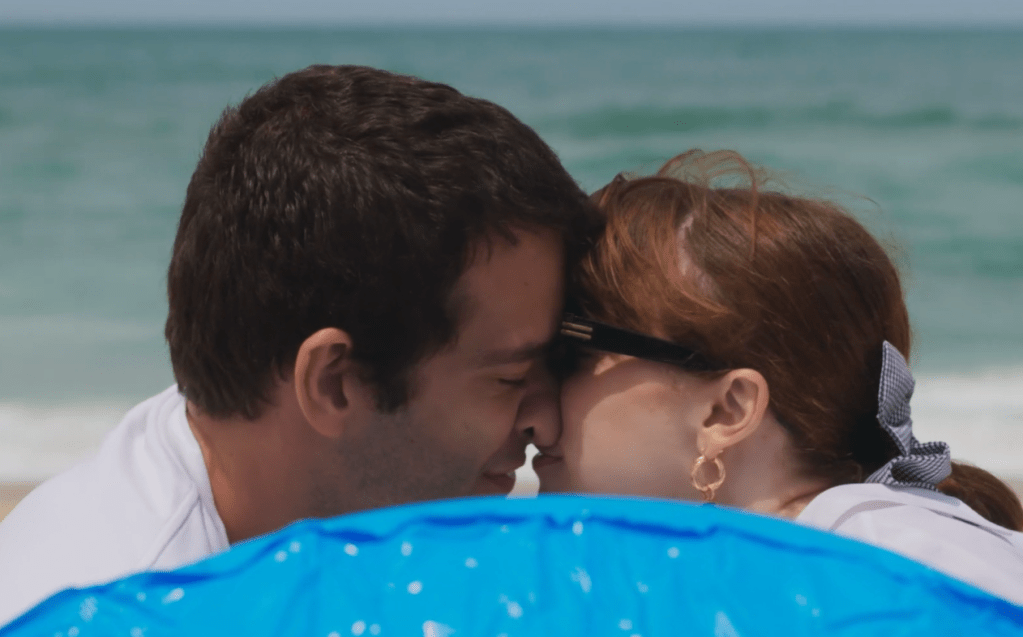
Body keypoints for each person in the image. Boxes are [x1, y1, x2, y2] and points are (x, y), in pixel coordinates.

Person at [0, 65, 599, 624]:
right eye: (510, 378)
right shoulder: (135, 606)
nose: (546, 421)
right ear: (333, 383)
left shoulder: (282, 521)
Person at [535, 149, 1023, 604]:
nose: (534, 400)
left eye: (570, 353)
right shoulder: (799, 566)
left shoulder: (893, 566)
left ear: (726, 409)